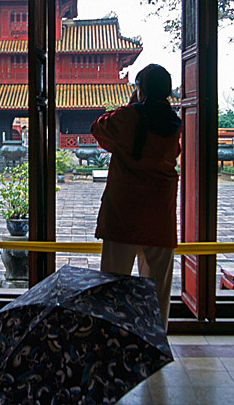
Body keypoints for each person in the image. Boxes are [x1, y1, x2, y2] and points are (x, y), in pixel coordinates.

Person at [90, 64, 182, 330]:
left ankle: (113, 339)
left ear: (140, 90)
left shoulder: (126, 118)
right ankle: (153, 342)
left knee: (113, 286)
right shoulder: (174, 122)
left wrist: (130, 106)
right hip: (159, 216)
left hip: (124, 214)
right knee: (157, 290)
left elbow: (98, 128)